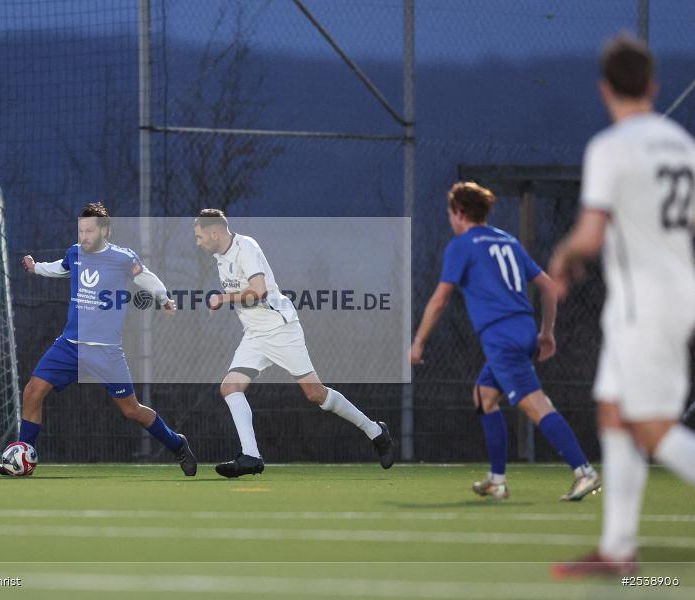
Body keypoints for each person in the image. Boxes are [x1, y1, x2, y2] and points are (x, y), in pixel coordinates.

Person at [550, 34, 695, 578]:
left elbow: (589, 235)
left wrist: (563, 257)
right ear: (653, 86)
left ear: (604, 88)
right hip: (671, 298)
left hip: (645, 307)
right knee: (612, 410)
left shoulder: (613, 147)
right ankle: (617, 550)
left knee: (652, 429)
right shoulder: (681, 143)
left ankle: (618, 550)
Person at [410, 182, 599, 501]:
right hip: (522, 331)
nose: (449, 219)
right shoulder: (507, 241)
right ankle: (497, 480)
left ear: (459, 212)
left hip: (502, 338)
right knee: (484, 395)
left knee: (535, 404)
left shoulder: (462, 245)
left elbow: (441, 299)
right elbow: (549, 287)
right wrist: (546, 332)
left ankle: (584, 471)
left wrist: (418, 342)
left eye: (449, 212)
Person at [0, 202, 197, 476]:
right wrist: (36, 267)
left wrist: (163, 298)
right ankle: (22, 458)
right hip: (70, 346)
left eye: (89, 231)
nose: (83, 236)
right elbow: (61, 268)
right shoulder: (75, 253)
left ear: (105, 231)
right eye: (81, 231)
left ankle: (176, 443)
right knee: (32, 391)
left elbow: (146, 278)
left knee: (131, 410)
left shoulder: (123, 258)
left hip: (106, 352)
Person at [193, 209, 396, 477]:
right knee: (230, 387)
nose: (198, 242)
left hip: (280, 329)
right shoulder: (220, 257)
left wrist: (223, 299)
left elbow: (260, 290)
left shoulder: (246, 247)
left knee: (315, 393)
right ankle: (251, 456)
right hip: (255, 335)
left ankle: (375, 430)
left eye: (199, 236)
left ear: (214, 232)